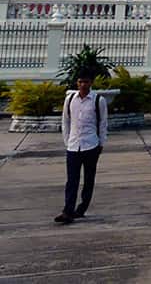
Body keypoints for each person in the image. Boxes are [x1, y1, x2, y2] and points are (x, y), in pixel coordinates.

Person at [55, 70, 108, 224]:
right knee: (72, 180)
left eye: (86, 82)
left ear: (91, 83)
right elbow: (65, 121)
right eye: (80, 82)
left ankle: (82, 208)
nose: (83, 85)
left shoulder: (98, 100)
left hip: (91, 144)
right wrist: (67, 141)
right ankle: (67, 211)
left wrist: (101, 143)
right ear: (77, 83)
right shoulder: (70, 99)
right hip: (73, 145)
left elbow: (103, 123)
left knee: (89, 179)